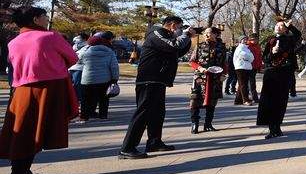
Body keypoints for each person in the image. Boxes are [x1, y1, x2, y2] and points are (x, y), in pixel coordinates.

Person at [1, 7, 78, 174]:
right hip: (49, 89)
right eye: (44, 16)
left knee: (22, 131)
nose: (46, 18)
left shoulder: (13, 41)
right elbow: (72, 57)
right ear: (36, 19)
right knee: (39, 131)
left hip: (21, 91)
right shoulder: (49, 36)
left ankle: (20, 172)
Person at [120, 17, 197, 158]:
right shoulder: (156, 33)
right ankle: (127, 147)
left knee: (158, 113)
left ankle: (154, 142)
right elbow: (174, 46)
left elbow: (177, 52)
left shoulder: (167, 37)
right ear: (172, 25)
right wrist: (185, 35)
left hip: (159, 79)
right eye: (179, 27)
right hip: (149, 79)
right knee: (143, 113)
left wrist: (188, 38)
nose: (180, 30)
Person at [256, 18, 301, 139]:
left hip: (284, 72)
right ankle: (272, 129)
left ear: (285, 29)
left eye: (282, 26)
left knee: (281, 101)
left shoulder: (289, 39)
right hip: (271, 73)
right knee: (268, 101)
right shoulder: (270, 40)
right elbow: (265, 59)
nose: (278, 27)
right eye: (277, 25)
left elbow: (298, 35)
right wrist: (272, 53)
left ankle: (277, 127)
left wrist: (289, 26)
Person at [189, 26, 226, 133]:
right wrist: (200, 68)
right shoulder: (199, 46)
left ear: (215, 34)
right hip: (200, 77)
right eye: (205, 33)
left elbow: (224, 63)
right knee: (195, 100)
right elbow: (192, 61)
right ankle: (194, 124)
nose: (206, 35)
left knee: (212, 101)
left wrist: (224, 74)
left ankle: (208, 124)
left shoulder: (221, 47)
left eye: (209, 33)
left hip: (215, 77)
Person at [77, 31, 120, 121]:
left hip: (87, 79)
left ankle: (84, 116)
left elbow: (79, 60)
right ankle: (103, 115)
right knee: (104, 98)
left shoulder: (86, 52)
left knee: (86, 99)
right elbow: (114, 67)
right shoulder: (109, 52)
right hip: (104, 79)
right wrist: (115, 78)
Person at [232, 36, 255, 106]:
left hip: (247, 67)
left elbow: (252, 58)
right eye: (243, 39)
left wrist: (248, 57)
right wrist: (248, 57)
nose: (245, 40)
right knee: (243, 84)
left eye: (246, 39)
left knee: (241, 84)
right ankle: (245, 99)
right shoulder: (239, 48)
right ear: (240, 41)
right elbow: (244, 56)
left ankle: (238, 100)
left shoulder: (247, 48)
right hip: (240, 67)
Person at [68, 32, 88, 103]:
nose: (77, 39)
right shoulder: (74, 46)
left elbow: (81, 57)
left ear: (85, 39)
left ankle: (78, 101)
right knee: (70, 86)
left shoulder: (87, 47)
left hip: (79, 69)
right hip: (71, 68)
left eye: (79, 38)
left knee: (77, 86)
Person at [246, 36, 263, 103]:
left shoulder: (258, 46)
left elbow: (259, 57)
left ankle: (249, 96)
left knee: (251, 82)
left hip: (255, 66)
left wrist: (260, 66)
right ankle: (254, 97)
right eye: (253, 39)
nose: (255, 40)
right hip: (249, 66)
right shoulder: (248, 46)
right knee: (251, 83)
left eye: (256, 39)